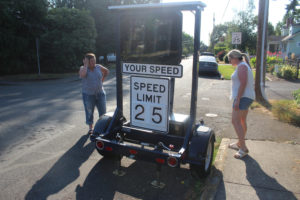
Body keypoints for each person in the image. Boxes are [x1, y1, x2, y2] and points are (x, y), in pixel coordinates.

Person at [227, 49, 255, 159]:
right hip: (247, 97)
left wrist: (238, 99)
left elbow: (243, 83)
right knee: (242, 121)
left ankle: (243, 148)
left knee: (235, 121)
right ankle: (239, 143)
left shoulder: (242, 66)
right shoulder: (243, 65)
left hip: (242, 97)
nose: (229, 61)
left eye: (230, 59)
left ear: (234, 57)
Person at [79, 53, 109, 134]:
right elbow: (83, 75)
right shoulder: (83, 68)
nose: (93, 62)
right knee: (89, 112)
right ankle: (91, 128)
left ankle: (102, 127)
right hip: (88, 95)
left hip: (100, 93)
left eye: (94, 60)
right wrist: (85, 65)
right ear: (87, 61)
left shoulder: (98, 67)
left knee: (103, 112)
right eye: (91, 61)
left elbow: (106, 71)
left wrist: (102, 80)